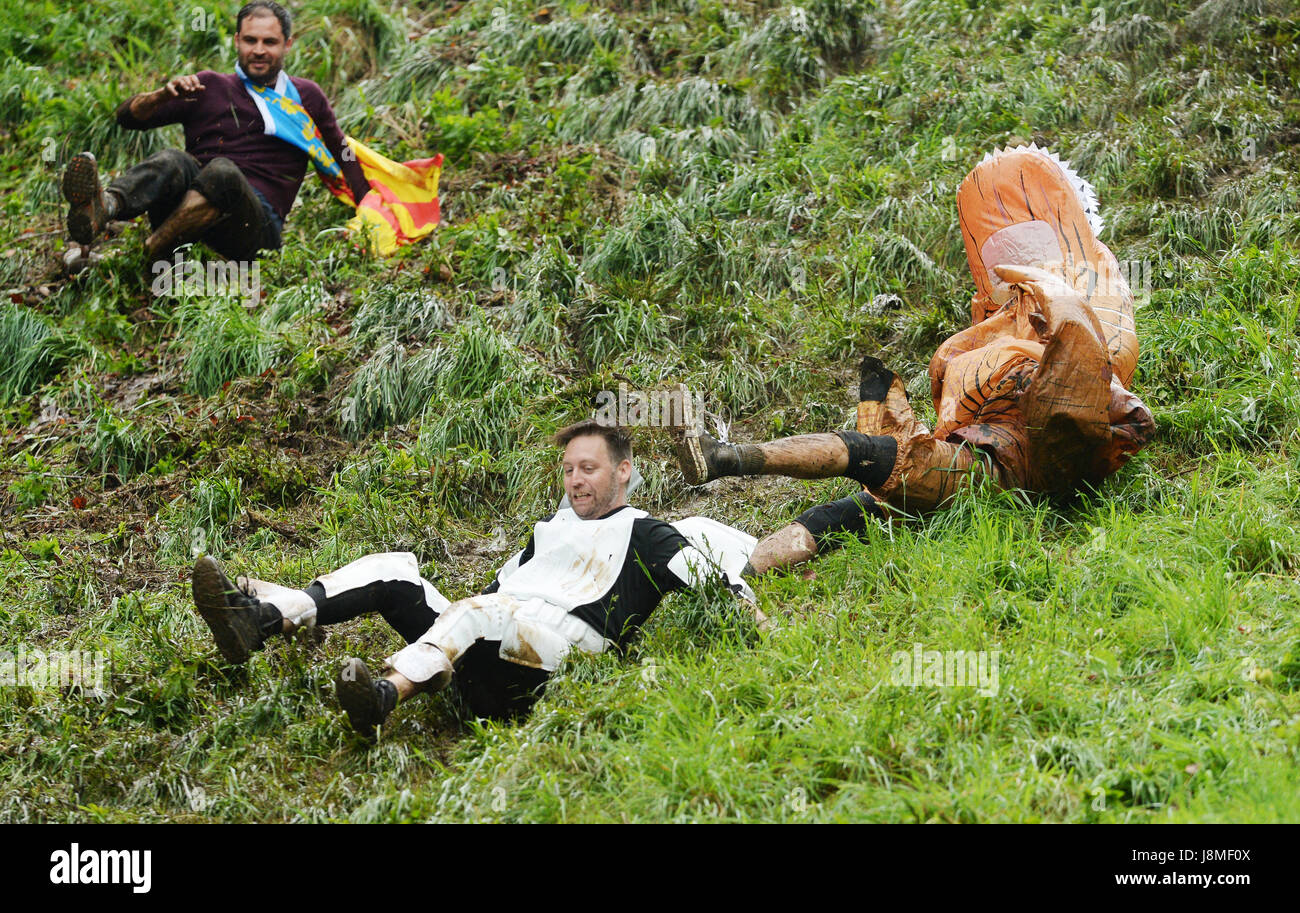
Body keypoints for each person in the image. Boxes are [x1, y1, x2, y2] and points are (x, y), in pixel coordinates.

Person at [675, 144, 1156, 575]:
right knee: (852, 503)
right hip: (983, 443)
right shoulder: (993, 318)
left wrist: (1058, 309)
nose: (1011, 260)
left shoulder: (1091, 285)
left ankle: (726, 459)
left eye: (1027, 243)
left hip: (1029, 455)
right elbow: (960, 377)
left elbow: (1102, 360)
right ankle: (740, 572)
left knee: (884, 460)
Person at [191, 420, 759, 735]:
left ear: (624, 470)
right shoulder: (548, 531)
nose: (576, 481)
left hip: (561, 663)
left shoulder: (646, 532)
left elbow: (711, 579)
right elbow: (489, 595)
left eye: (589, 468)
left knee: (482, 611)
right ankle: (258, 620)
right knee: (399, 569)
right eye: (568, 470)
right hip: (490, 646)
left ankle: (384, 696)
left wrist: (754, 618)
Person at [60, 1, 369, 272]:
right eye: (250, 40)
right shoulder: (206, 87)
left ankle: (149, 257)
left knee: (222, 172)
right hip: (188, 211)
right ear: (237, 41)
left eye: (269, 42)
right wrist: (160, 96)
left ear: (287, 44)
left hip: (255, 228)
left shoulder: (305, 96)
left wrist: (370, 209)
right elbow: (126, 118)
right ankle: (106, 207)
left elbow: (341, 151)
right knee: (173, 160)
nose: (259, 50)